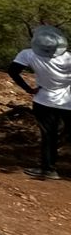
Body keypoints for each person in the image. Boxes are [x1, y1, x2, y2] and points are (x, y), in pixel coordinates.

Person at [8, 25, 71, 179]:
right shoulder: (68, 57)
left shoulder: (28, 55)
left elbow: (13, 71)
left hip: (44, 101)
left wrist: (28, 89)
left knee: (49, 135)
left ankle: (49, 169)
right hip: (68, 102)